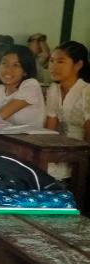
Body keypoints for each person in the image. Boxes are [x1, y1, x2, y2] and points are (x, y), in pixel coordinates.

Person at [44, 41, 90, 179]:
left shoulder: (86, 91)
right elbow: (50, 132)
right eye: (51, 61)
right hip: (59, 149)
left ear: (78, 65)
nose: (53, 66)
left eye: (61, 61)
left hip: (80, 154)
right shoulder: (54, 90)